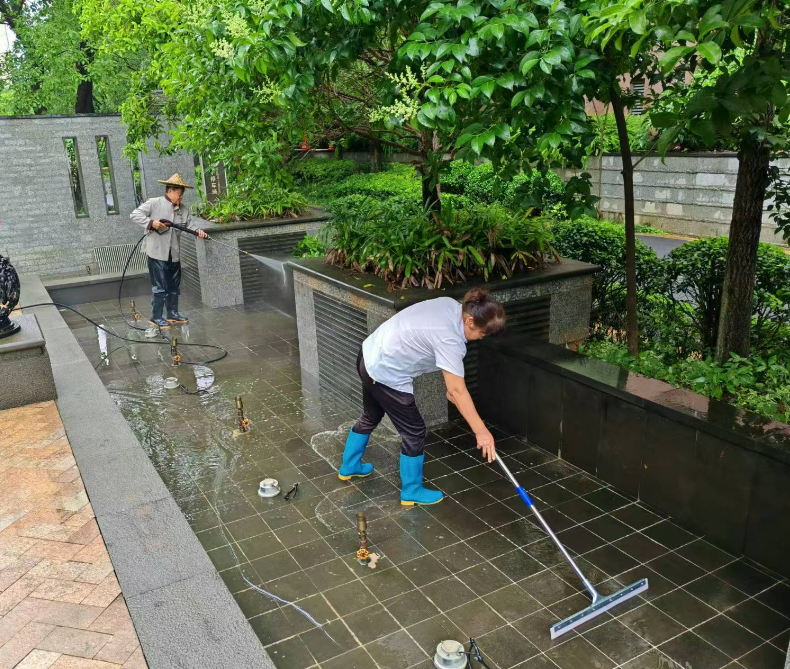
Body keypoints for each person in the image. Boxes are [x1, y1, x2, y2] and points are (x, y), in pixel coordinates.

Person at [338, 288, 506, 506]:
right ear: (470, 321)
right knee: (415, 432)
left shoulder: (451, 305)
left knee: (371, 415)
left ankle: (349, 466)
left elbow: (451, 381)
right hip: (386, 373)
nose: (482, 337)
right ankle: (412, 490)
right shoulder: (449, 339)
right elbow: (457, 390)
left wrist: (455, 391)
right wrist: (481, 432)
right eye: (482, 333)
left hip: (369, 354)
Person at [130, 173, 207, 329]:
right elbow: (135, 214)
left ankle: (172, 314)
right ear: (170, 191)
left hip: (174, 254)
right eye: (179, 194)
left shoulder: (183, 209)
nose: (181, 197)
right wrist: (151, 223)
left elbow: (189, 225)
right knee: (160, 287)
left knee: (173, 285)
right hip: (157, 253)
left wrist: (198, 231)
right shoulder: (154, 203)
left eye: (182, 194)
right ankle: (156, 317)